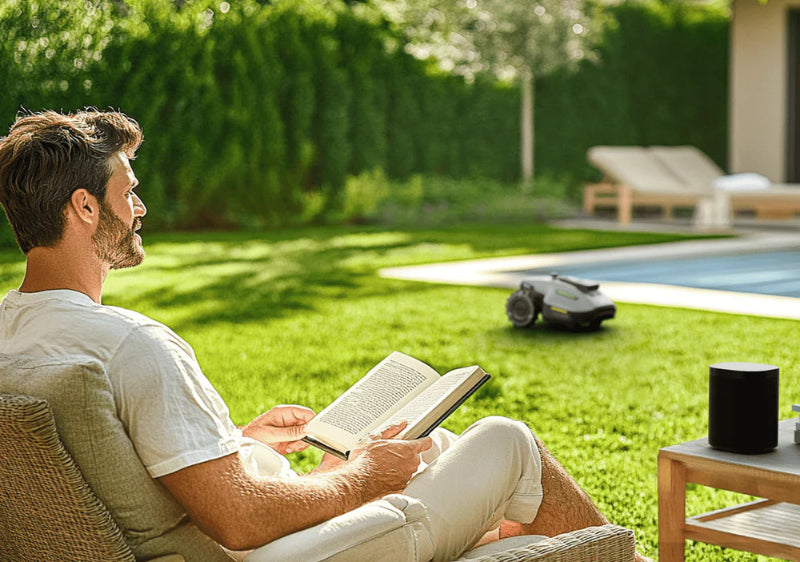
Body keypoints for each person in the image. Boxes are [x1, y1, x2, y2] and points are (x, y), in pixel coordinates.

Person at [0, 109, 643, 561]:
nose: (140, 208)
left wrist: (233, 442)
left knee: (437, 444)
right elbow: (241, 520)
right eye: (128, 192)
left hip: (218, 532)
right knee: (508, 443)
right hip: (264, 554)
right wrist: (360, 479)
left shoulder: (14, 330)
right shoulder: (134, 345)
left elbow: (127, 462)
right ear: (85, 207)